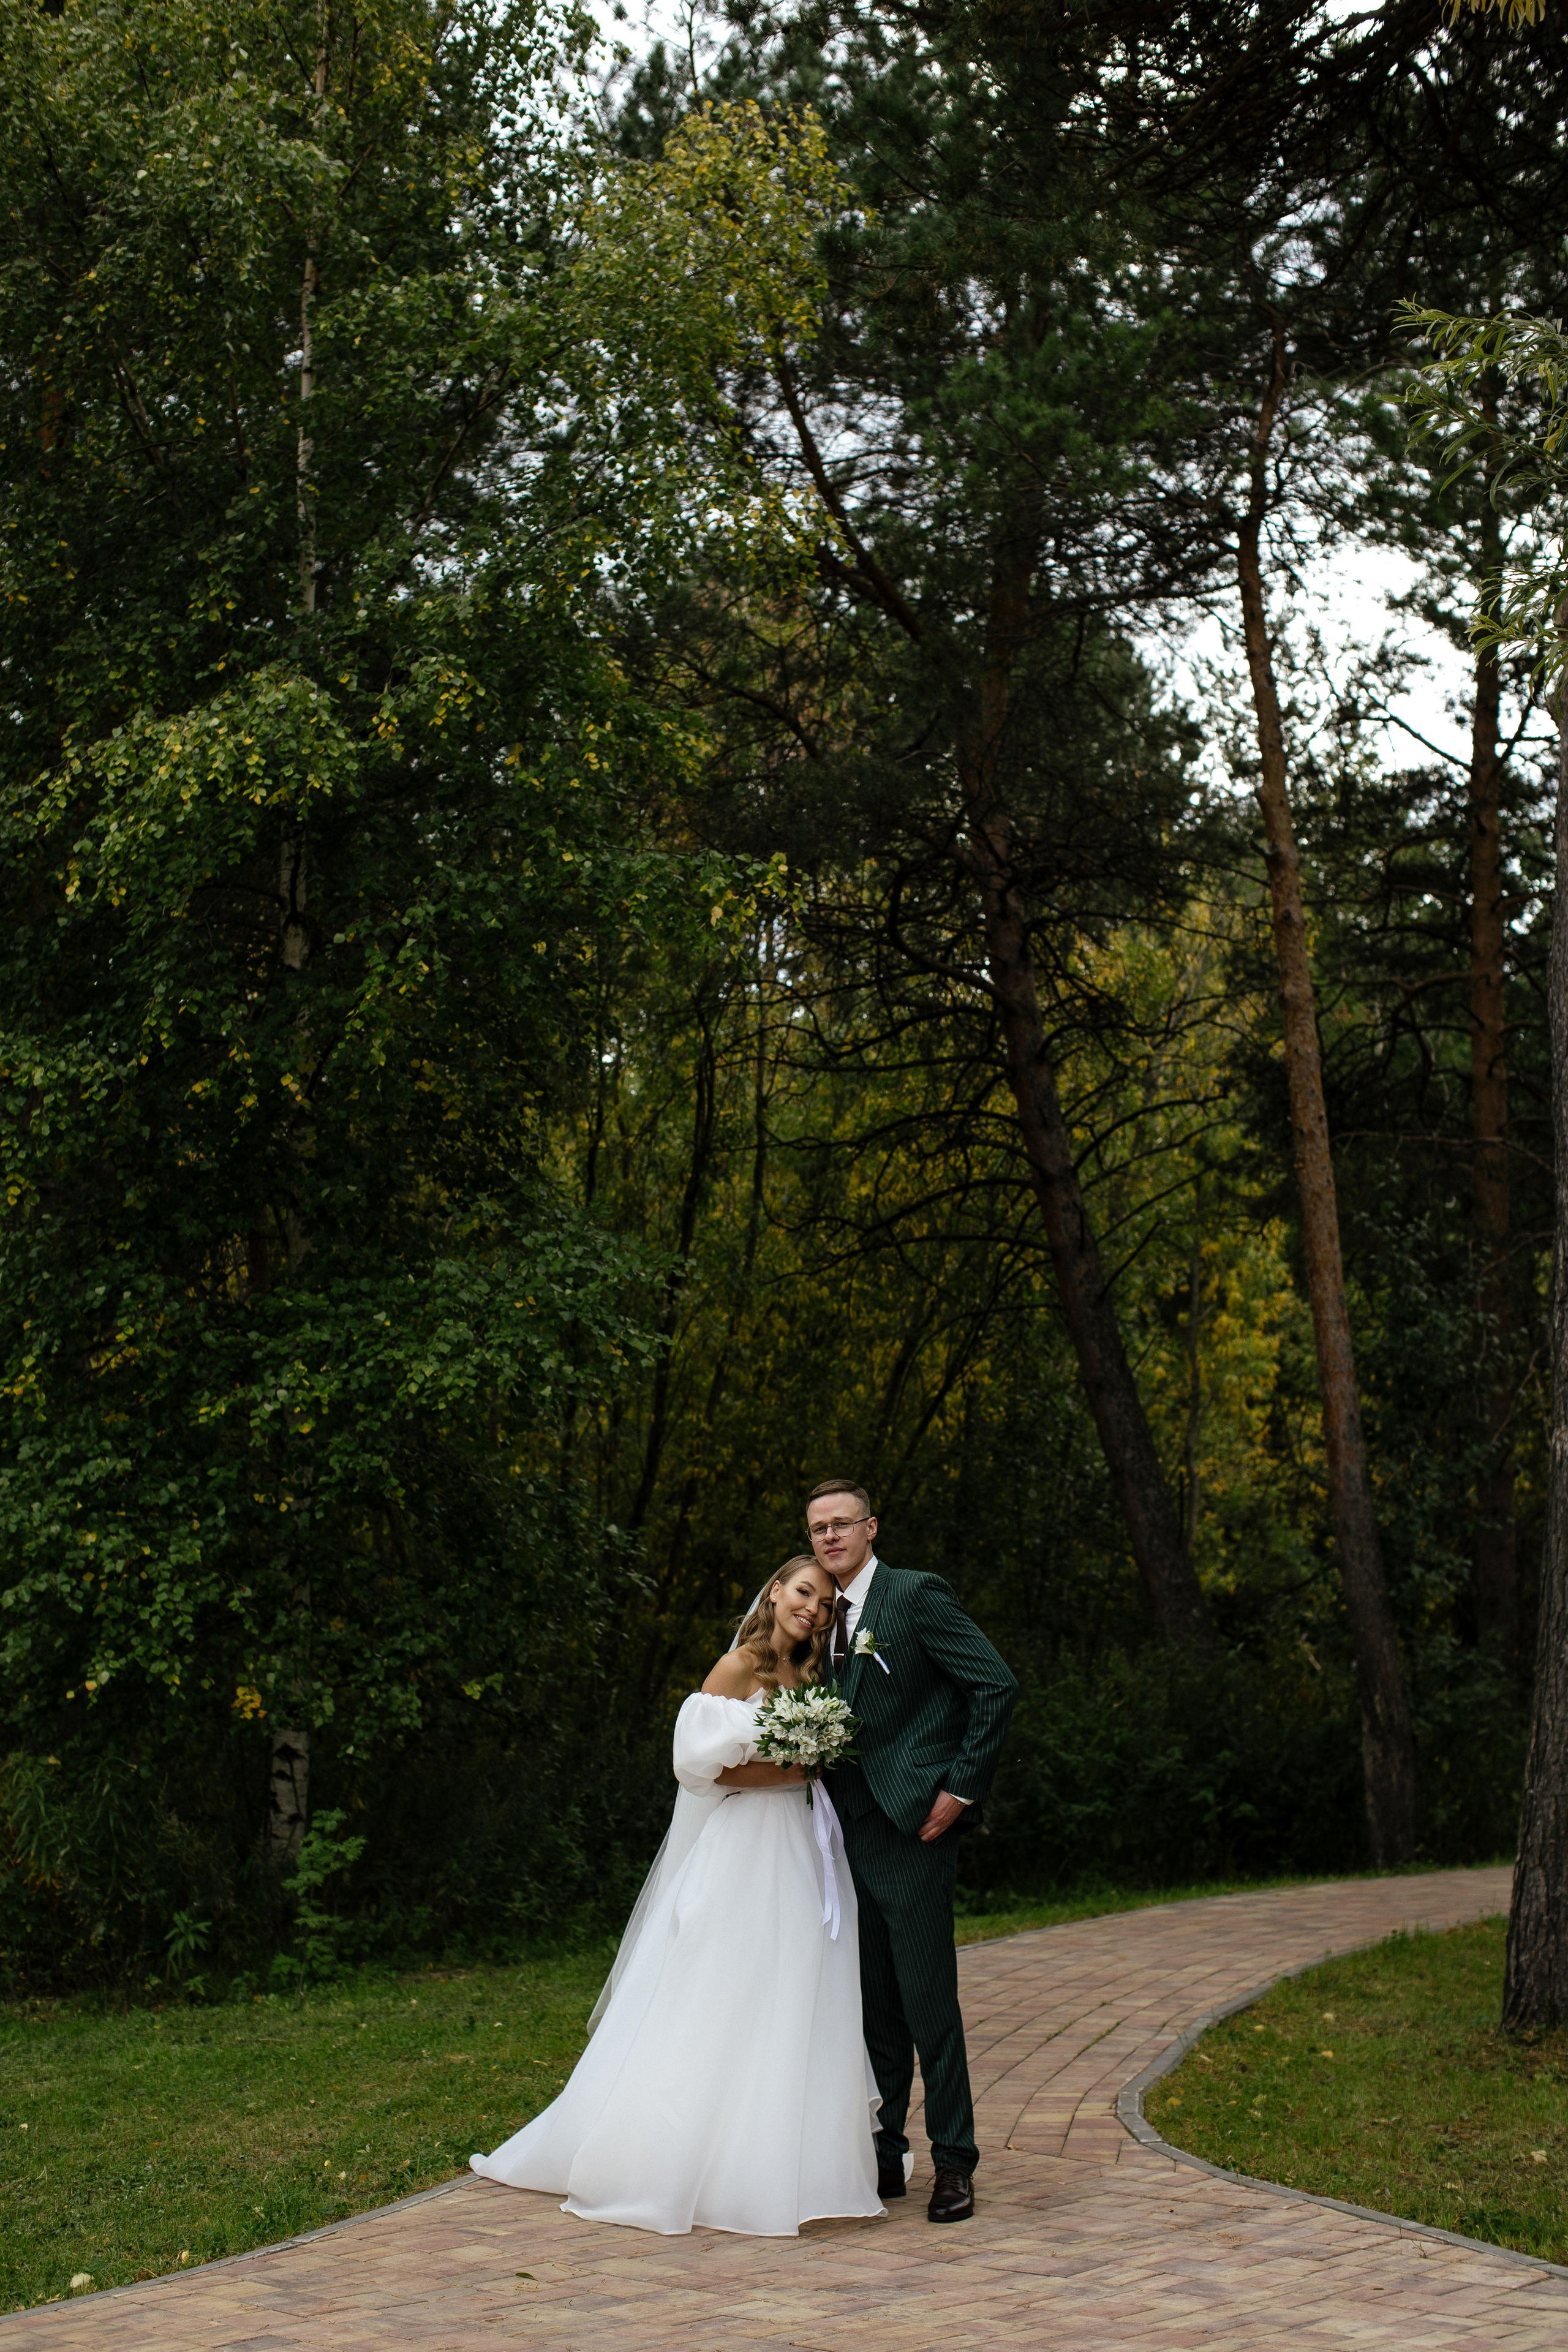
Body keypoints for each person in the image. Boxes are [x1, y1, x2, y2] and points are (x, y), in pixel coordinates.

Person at [470, 1553, 883, 2236]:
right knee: (717, 1988)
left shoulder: (811, 1674)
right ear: (776, 1591)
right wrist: (796, 1769)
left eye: (825, 1601)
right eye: (803, 1592)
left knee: (786, 1991)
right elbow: (703, 1773)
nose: (811, 1607)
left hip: (798, 1850)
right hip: (743, 1848)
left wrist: (808, 1764)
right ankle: (664, 2159)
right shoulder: (737, 1668)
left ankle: (769, 2164)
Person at [807, 1477, 1017, 2225]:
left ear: (871, 1528)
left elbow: (994, 1686)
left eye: (842, 1524)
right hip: (840, 1833)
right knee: (871, 2005)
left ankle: (954, 2162)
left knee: (928, 2000)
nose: (830, 1538)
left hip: (913, 1829)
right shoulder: (818, 1614)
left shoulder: (914, 1595)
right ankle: (885, 2152)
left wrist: (959, 1790)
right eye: (818, 1529)